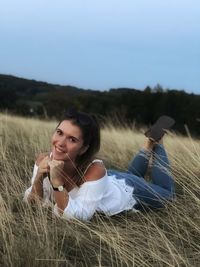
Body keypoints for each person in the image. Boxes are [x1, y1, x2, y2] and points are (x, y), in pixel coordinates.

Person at [24, 109, 175, 221]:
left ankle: (157, 142)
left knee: (168, 195)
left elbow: (79, 216)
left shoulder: (95, 169)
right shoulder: (43, 160)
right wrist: (38, 178)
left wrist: (57, 183)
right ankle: (148, 145)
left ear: (84, 148)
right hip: (107, 180)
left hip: (128, 191)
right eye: (59, 132)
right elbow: (33, 204)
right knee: (133, 175)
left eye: (72, 139)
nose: (60, 143)